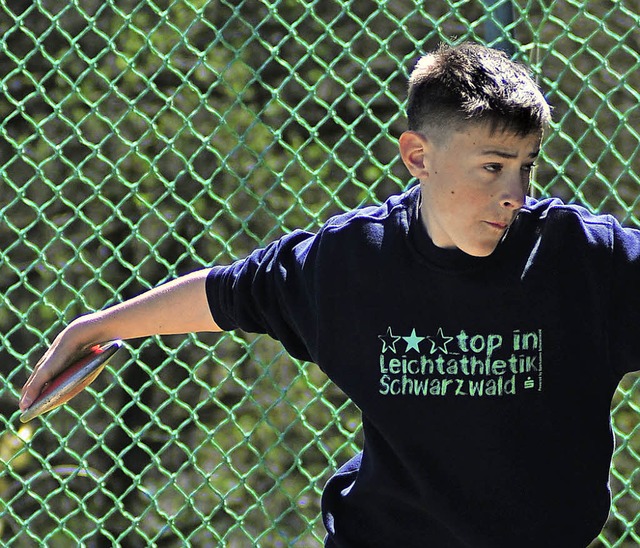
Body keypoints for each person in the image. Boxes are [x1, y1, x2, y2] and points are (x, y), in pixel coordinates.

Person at [19, 41, 638, 546]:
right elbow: (229, 293)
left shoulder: (585, 260)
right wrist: (96, 328)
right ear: (418, 157)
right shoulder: (352, 262)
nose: (515, 191)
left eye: (527, 166)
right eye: (492, 165)